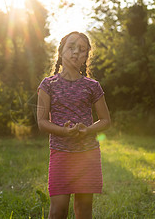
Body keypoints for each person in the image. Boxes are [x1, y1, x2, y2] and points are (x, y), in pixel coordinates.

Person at [37, 31, 111, 219]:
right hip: (60, 153)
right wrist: (64, 131)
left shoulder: (92, 86)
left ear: (86, 57)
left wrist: (88, 130)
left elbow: (105, 120)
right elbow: (42, 122)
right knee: (58, 211)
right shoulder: (48, 85)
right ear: (61, 50)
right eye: (71, 47)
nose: (76, 52)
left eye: (82, 50)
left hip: (88, 154)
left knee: (84, 210)